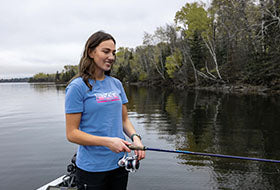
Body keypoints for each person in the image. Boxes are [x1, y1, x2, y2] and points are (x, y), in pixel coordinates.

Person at [65, 31, 145, 190]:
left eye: (114, 53)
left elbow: (124, 120)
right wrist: (108, 142)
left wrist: (136, 138)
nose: (111, 57)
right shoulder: (77, 87)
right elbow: (72, 133)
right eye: (106, 51)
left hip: (119, 164)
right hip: (91, 169)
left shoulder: (116, 84)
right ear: (91, 52)